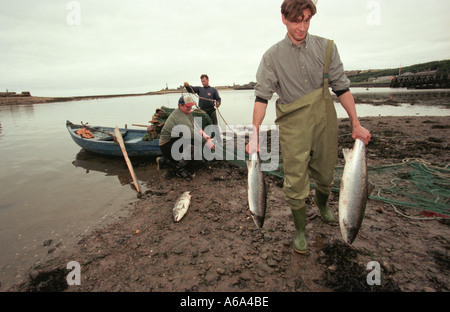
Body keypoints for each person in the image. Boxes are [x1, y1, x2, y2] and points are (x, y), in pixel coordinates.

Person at [246, 0, 371, 254]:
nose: (301, 27)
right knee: (294, 180)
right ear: (283, 18)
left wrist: (356, 123)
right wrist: (254, 134)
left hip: (325, 121)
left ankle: (323, 202)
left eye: (306, 20)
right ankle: (301, 230)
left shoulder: (327, 48)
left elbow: (342, 88)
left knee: (326, 175)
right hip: (293, 125)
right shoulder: (271, 57)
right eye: (295, 21)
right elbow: (262, 97)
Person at [157, 95, 215, 180]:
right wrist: (206, 141)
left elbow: (195, 127)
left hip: (175, 141)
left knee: (194, 143)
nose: (190, 108)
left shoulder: (187, 113)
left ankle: (163, 161)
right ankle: (179, 170)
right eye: (187, 106)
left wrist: (204, 134)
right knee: (192, 148)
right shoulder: (179, 116)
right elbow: (191, 133)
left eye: (191, 106)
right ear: (180, 105)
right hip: (167, 145)